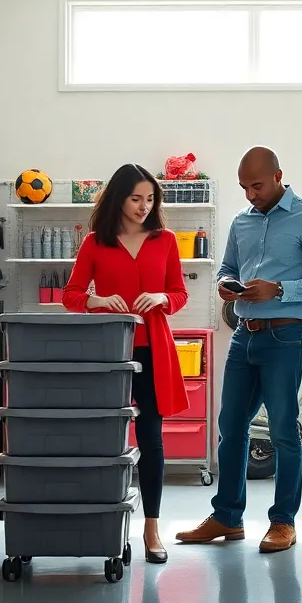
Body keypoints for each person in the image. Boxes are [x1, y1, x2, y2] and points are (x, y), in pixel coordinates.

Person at [175, 146, 302, 554]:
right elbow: (228, 267)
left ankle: (283, 522)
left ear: (279, 176)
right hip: (244, 335)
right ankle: (227, 518)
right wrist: (226, 284)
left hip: (286, 336)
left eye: (258, 185)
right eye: (244, 187)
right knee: (230, 427)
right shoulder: (240, 223)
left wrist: (280, 288)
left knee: (284, 430)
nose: (251, 194)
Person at [63, 163, 190, 564]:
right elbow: (71, 294)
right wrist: (96, 300)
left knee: (151, 439)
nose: (143, 206)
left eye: (150, 199)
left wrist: (163, 299)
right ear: (118, 198)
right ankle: (104, 524)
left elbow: (179, 292)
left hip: (153, 348)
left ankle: (152, 530)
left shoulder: (166, 239)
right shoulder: (95, 243)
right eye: (136, 198)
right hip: (110, 352)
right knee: (104, 441)